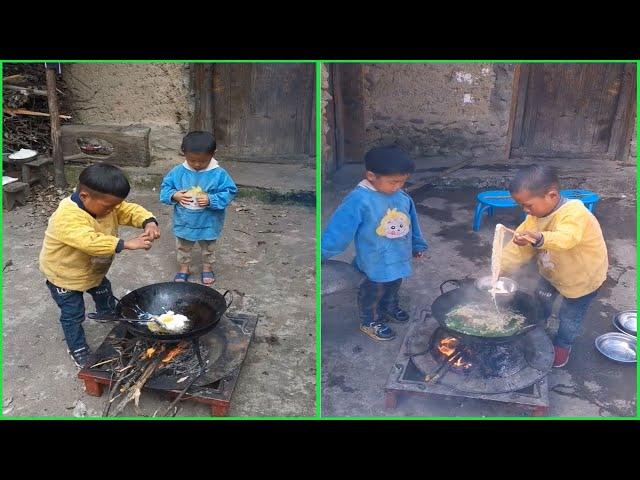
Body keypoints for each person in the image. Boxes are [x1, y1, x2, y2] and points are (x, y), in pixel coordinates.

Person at [40, 164, 160, 368]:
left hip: (92, 270)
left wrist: (148, 221)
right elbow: (89, 241)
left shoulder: (105, 204)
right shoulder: (67, 216)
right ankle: (77, 347)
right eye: (108, 207)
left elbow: (127, 209)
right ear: (84, 196)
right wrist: (126, 244)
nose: (112, 210)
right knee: (73, 313)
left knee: (104, 290)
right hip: (64, 275)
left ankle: (107, 313)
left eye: (115, 206)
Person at [501, 165, 608, 367]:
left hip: (581, 280)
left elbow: (568, 238)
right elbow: (518, 249)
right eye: (521, 205)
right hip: (551, 274)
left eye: (528, 205)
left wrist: (539, 238)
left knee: (570, 317)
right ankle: (538, 330)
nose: (525, 210)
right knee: (541, 303)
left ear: (551, 195)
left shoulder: (575, 212)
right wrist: (500, 268)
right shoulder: (533, 218)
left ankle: (563, 345)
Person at [321, 146, 428, 341]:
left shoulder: (402, 197)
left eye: (402, 181)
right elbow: (339, 229)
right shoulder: (359, 200)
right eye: (393, 182)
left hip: (398, 255)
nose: (398, 186)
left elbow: (411, 222)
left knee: (395, 282)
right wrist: (322, 253)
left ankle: (389, 306)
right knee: (373, 289)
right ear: (371, 176)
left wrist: (417, 244)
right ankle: (370, 320)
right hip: (374, 259)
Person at [160, 131, 237, 284]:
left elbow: (230, 191)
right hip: (185, 220)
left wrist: (211, 199)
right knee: (183, 246)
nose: (196, 164)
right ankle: (184, 268)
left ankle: (207, 268)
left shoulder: (218, 174)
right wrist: (174, 195)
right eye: (191, 160)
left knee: (208, 246)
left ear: (213, 154)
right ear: (184, 153)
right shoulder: (178, 172)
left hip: (208, 220)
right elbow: (165, 189)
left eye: (202, 161)